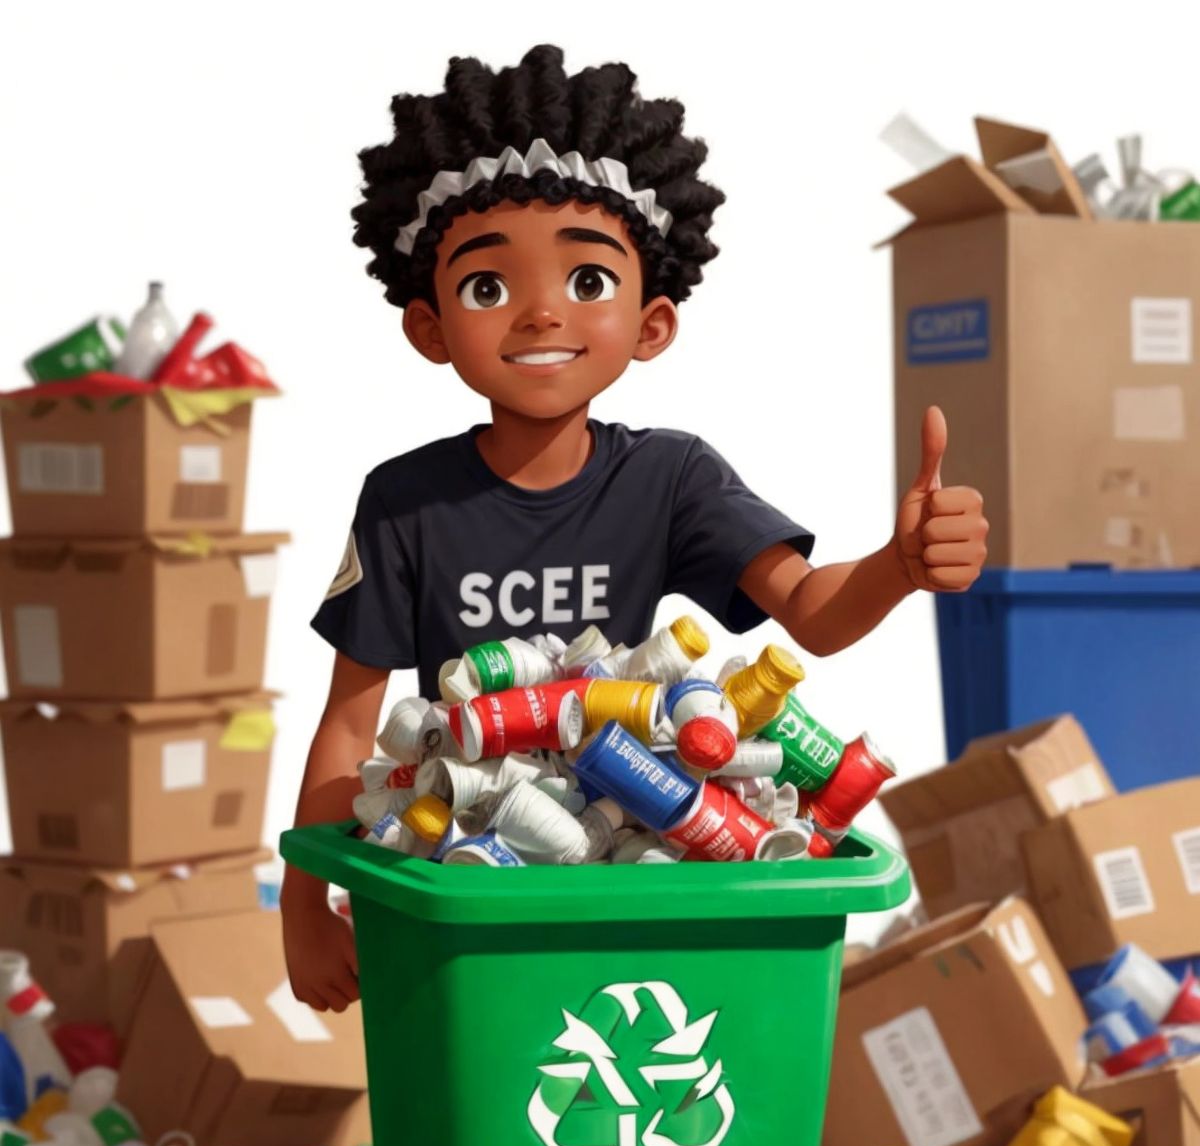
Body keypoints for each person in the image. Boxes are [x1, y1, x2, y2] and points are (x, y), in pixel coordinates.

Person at [282, 44, 988, 1013]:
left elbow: (812, 617)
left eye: (586, 282)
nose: (538, 314)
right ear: (431, 327)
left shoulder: (670, 478)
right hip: (463, 880)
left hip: (638, 863)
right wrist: (306, 907)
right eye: (490, 288)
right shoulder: (405, 502)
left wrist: (900, 567)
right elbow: (351, 723)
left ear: (651, 325)